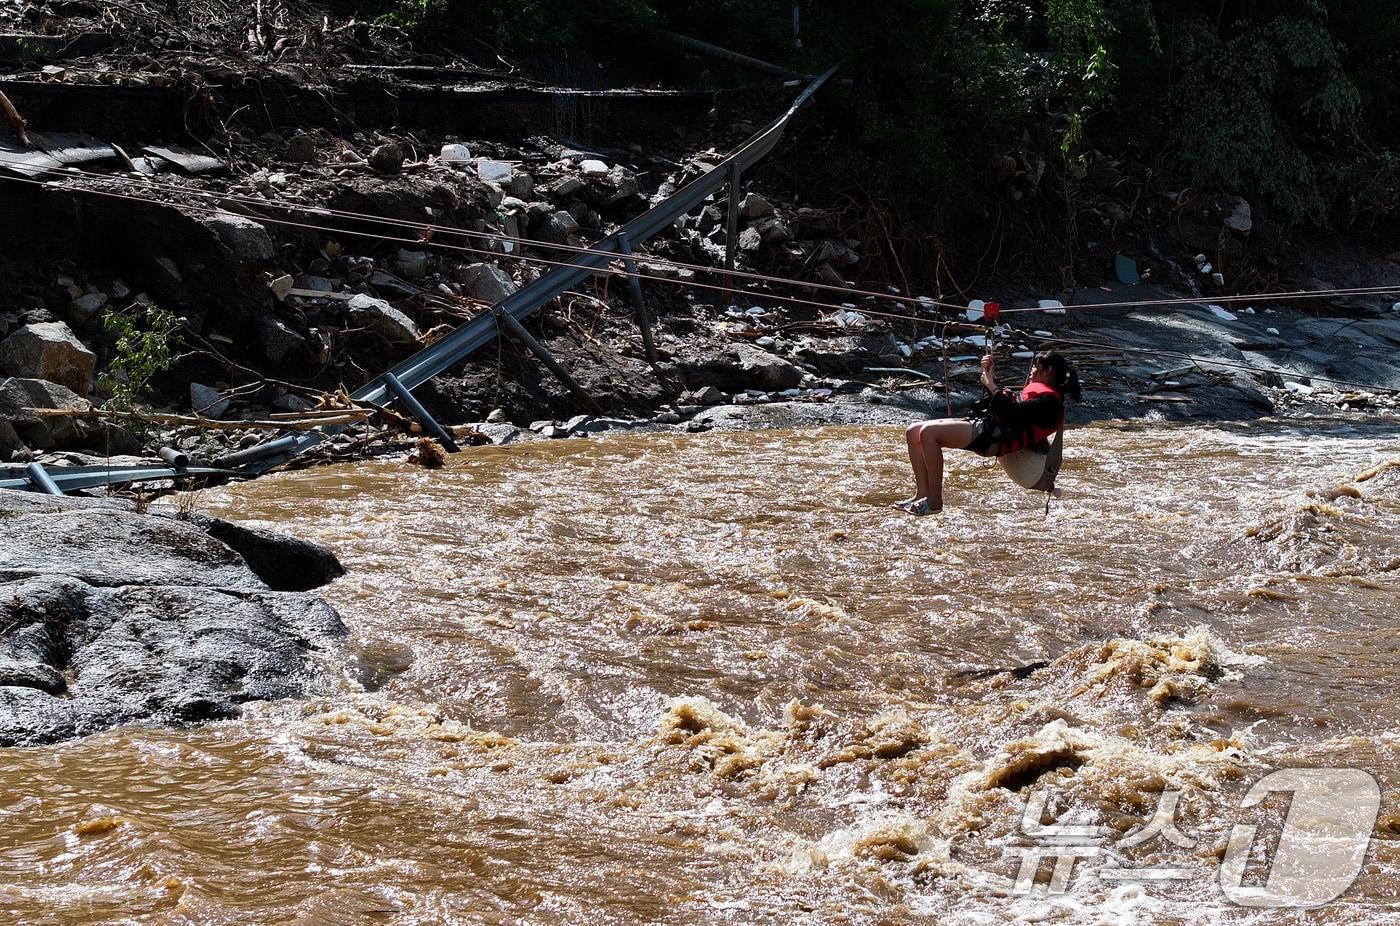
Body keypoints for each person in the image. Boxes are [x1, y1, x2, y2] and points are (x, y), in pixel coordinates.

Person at [895, 350, 1081, 515]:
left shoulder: (1050, 403)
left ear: (1048, 371)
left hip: (992, 438)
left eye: (1035, 366)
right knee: (913, 431)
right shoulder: (1043, 396)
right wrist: (989, 375)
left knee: (928, 433)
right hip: (987, 426)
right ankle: (921, 494)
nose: (1031, 371)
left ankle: (934, 502)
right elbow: (1003, 405)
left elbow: (1011, 412)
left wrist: (991, 384)